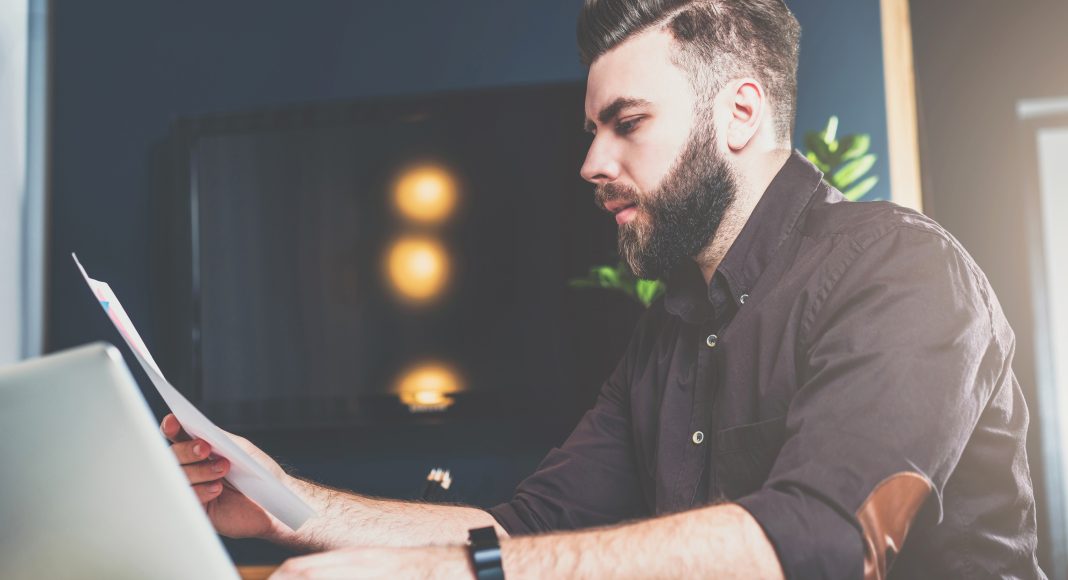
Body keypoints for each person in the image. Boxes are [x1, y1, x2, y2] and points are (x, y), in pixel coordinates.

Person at [162, 1, 1045, 577]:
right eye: (593, 129)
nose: (591, 162)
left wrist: (441, 573)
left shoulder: (904, 271)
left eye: (626, 124)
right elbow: (524, 529)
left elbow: (822, 542)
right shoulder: (668, 334)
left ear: (740, 113)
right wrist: (285, 505)